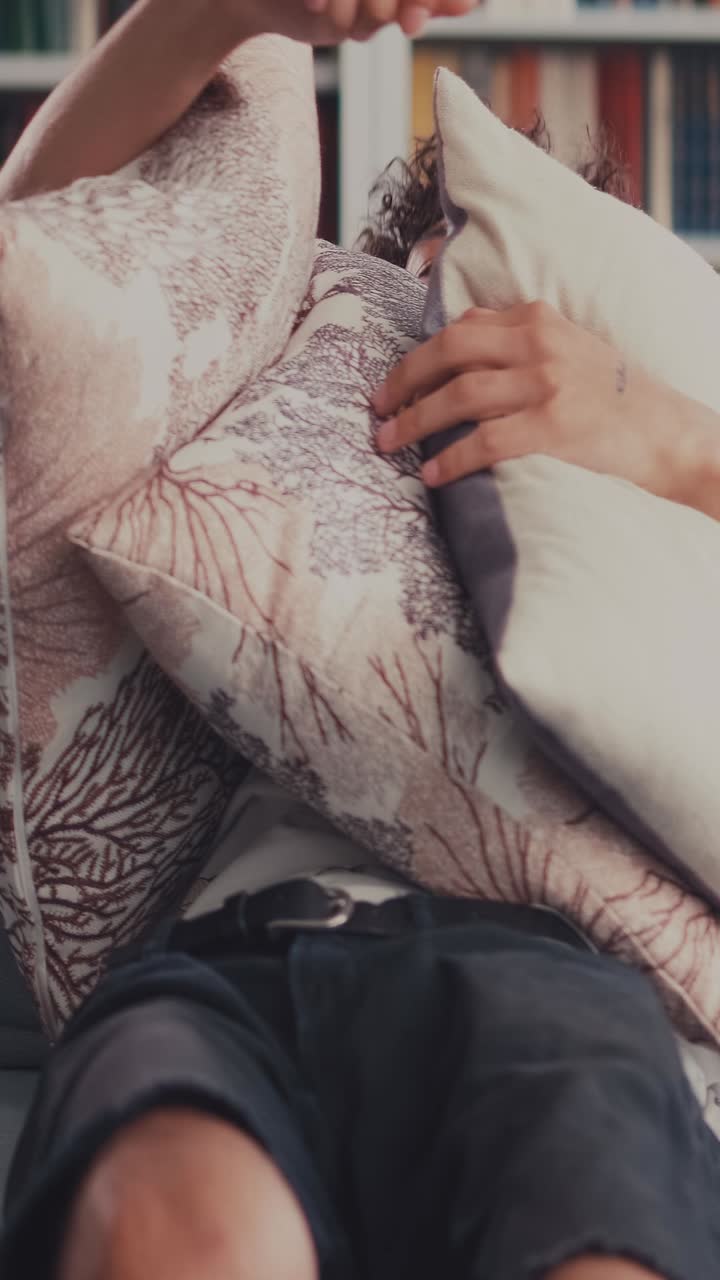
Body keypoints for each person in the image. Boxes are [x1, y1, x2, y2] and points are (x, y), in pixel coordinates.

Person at [2, 4, 720, 1279]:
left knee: (588, 1218)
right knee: (184, 1226)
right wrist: (208, 16)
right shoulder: (294, 362)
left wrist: (671, 438)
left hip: (557, 966)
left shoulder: (668, 481)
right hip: (229, 951)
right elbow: (49, 294)